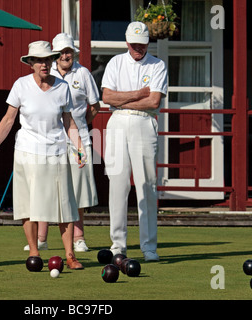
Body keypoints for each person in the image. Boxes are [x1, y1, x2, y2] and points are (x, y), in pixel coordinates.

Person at [0, 40, 85, 269]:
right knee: (28, 207)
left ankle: (70, 256)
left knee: (64, 206)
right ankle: (35, 253)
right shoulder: (21, 85)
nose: (44, 64)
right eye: (39, 60)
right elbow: (9, 119)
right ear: (30, 64)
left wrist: (79, 147)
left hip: (56, 152)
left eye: (47, 59)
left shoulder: (62, 87)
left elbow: (68, 121)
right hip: (27, 153)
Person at [23, 33, 100, 253]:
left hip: (78, 138)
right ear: (55, 55)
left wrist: (79, 127)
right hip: (52, 140)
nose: (66, 55)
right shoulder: (47, 72)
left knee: (77, 191)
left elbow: (94, 106)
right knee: (47, 188)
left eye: (69, 51)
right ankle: (41, 239)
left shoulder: (83, 73)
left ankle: (79, 238)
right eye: (62, 52)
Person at [101, 21, 168, 261]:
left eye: (142, 44)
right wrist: (138, 93)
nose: (138, 48)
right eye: (134, 44)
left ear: (148, 42)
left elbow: (153, 102)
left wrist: (121, 100)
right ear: (127, 42)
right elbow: (107, 96)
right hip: (118, 122)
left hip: (144, 122)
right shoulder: (115, 63)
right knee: (118, 184)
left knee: (147, 185)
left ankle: (149, 246)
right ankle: (117, 245)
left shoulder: (158, 65)